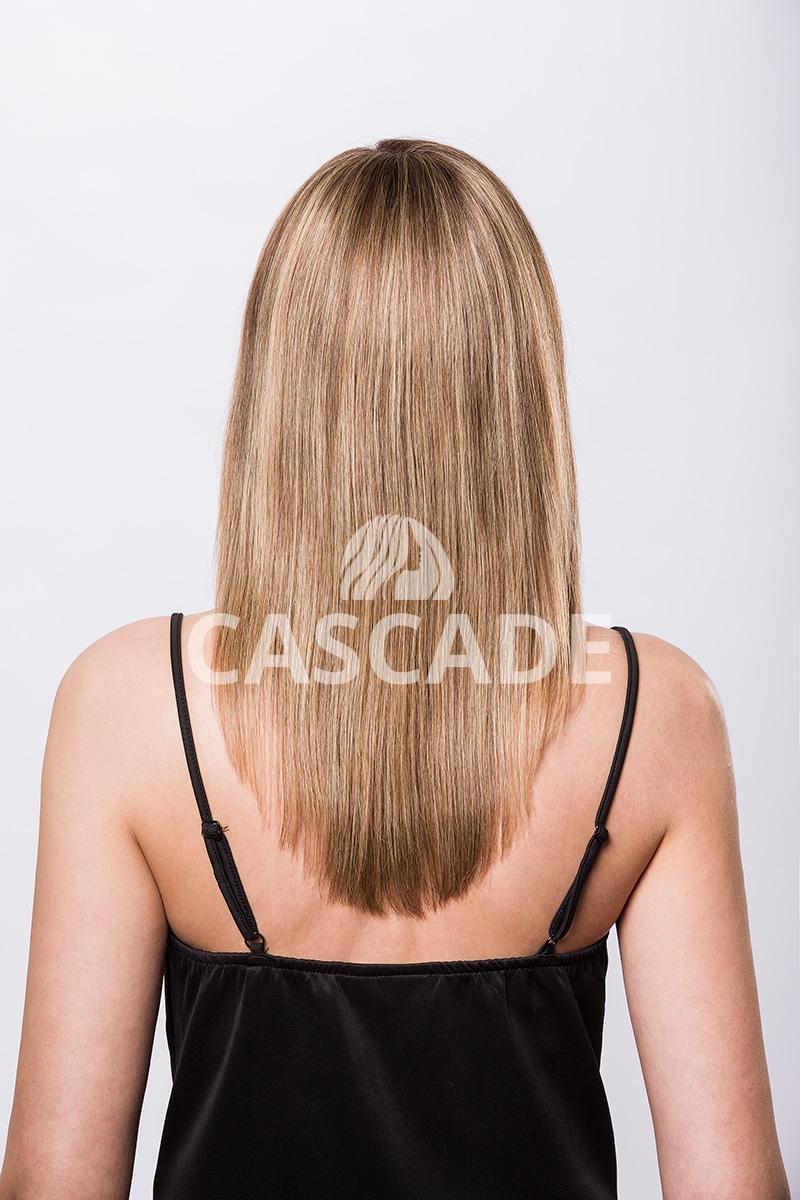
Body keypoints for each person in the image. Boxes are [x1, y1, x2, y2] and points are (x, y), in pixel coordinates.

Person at [0, 139, 789, 1200]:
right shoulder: (652, 715)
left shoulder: (127, 711)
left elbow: (52, 1187)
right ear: (519, 397)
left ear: (277, 392)